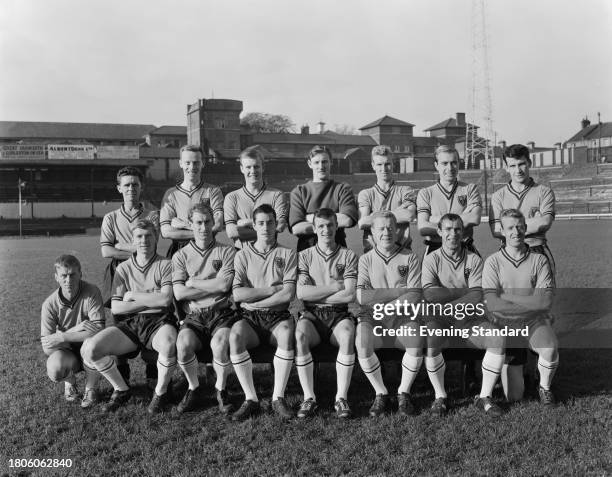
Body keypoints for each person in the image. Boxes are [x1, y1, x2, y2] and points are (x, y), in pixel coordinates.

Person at [81, 218, 178, 414]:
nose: (144, 240)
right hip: (132, 323)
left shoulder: (166, 264)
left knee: (168, 345)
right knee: (92, 348)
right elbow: (116, 307)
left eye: (148, 235)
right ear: (133, 241)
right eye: (139, 237)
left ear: (156, 237)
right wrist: (152, 298)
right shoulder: (123, 268)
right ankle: (121, 388)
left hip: (159, 322)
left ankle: (160, 392)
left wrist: (133, 296)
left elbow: (165, 300)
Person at [422, 214, 505, 417]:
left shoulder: (474, 259)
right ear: (439, 232)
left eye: (457, 229)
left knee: (497, 338)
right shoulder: (431, 259)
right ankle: (440, 396)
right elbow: (430, 293)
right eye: (448, 229)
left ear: (463, 232)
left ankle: (484, 396)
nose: (453, 234)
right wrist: (461, 295)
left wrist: (450, 300)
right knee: (431, 339)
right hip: (440, 319)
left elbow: (477, 294)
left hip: (468, 319)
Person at [482, 209, 558, 406]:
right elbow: (492, 303)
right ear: (502, 231)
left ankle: (545, 388)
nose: (516, 231)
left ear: (525, 228)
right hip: (506, 325)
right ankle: (514, 368)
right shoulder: (493, 262)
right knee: (514, 397)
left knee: (549, 349)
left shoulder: (539, 260)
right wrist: (531, 303)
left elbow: (544, 302)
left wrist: (506, 296)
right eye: (510, 228)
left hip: (533, 322)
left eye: (519, 226)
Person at [229, 204, 297, 421]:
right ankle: (251, 399)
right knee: (235, 336)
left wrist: (256, 298)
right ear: (254, 226)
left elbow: (287, 295)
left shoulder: (287, 253)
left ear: (276, 225)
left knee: (287, 334)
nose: (265, 227)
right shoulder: (242, 255)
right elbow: (238, 295)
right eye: (260, 223)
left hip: (278, 317)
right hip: (250, 317)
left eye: (270, 222)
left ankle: (278, 397)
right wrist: (270, 290)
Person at [356, 211, 424, 417]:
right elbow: (362, 297)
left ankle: (404, 392)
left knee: (415, 339)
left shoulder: (409, 257)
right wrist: (397, 292)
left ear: (397, 231)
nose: (386, 232)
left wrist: (385, 304)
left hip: (403, 315)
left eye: (390, 228)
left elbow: (414, 294)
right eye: (381, 228)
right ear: (373, 233)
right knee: (361, 342)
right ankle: (381, 392)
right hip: (372, 315)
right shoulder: (365, 260)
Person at [172, 204, 237, 414]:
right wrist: (210, 286)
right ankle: (193, 387)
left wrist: (192, 283)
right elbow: (179, 294)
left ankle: (221, 389)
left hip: (221, 313)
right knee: (182, 345)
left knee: (220, 345)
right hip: (194, 316)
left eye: (207, 222)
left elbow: (224, 286)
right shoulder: (180, 256)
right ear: (191, 225)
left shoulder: (226, 251)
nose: (203, 227)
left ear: (213, 223)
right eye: (198, 223)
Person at [295, 208, 358, 419]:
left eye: (330, 225)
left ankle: (341, 398)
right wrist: (334, 286)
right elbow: (302, 294)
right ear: (314, 229)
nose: (326, 230)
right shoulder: (304, 255)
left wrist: (318, 293)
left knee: (349, 334)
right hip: (312, 315)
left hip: (338, 315)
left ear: (336, 226)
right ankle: (309, 397)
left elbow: (349, 295)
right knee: (300, 335)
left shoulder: (348, 255)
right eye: (321, 226)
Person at [100, 166, 159, 383]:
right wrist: (136, 247)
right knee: (120, 322)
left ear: (141, 187)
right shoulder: (111, 218)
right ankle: (122, 376)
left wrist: (121, 244)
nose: (131, 188)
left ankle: (153, 372)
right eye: (126, 185)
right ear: (118, 188)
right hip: (120, 274)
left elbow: (151, 247)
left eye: (135, 184)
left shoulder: (152, 214)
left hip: (147, 272)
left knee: (151, 317)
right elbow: (106, 251)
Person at [41, 255, 105, 408]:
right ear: (56, 277)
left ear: (80, 274)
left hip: (90, 349)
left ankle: (91, 388)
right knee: (55, 368)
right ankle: (69, 381)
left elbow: (99, 330)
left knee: (96, 343)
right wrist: (77, 329)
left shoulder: (91, 292)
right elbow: (47, 347)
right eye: (63, 275)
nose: (68, 280)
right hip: (67, 351)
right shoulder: (49, 304)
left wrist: (62, 336)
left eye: (72, 275)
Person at [489, 143, 556, 279]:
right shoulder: (498, 196)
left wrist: (508, 226)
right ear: (506, 168)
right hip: (508, 254)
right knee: (507, 298)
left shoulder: (544, 192)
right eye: (512, 166)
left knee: (543, 298)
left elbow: (544, 223)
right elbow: (496, 230)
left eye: (521, 164)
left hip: (537, 252)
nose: (518, 170)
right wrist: (533, 222)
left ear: (529, 163)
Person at [289, 145, 358, 252]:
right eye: (316, 162)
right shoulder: (299, 192)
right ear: (309, 164)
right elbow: (297, 228)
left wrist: (308, 218)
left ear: (331, 162)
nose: (321, 166)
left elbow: (347, 220)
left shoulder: (342, 189)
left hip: (337, 248)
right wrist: (332, 222)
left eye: (324, 162)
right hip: (307, 248)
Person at [160, 145, 224, 257]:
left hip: (208, 250)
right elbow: (166, 232)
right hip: (179, 250)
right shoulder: (170, 194)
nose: (192, 166)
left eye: (196, 162)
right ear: (181, 163)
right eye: (187, 163)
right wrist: (202, 230)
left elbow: (218, 225)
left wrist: (183, 225)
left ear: (202, 163)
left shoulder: (213, 191)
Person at [417, 145, 482, 256]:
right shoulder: (425, 193)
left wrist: (433, 219)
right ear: (436, 165)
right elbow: (423, 228)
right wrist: (462, 218)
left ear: (458, 164)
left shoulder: (470, 189)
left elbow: (474, 218)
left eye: (454, 162)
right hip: (435, 250)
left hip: (465, 248)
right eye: (444, 163)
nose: (450, 168)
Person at [224, 145, 288, 249]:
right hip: (242, 254)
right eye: (248, 167)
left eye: (256, 166)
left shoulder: (277, 195)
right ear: (242, 169)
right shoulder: (232, 197)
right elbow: (231, 232)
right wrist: (268, 226)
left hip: (269, 253)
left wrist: (244, 223)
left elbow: (280, 226)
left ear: (263, 167)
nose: (253, 171)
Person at [358, 145, 416, 253]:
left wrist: (374, 215)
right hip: (373, 254)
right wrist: (399, 212)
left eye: (387, 164)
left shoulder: (406, 191)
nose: (383, 169)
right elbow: (363, 222)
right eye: (379, 164)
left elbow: (409, 215)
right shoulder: (366, 194)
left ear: (393, 164)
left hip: (402, 253)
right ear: (373, 166)